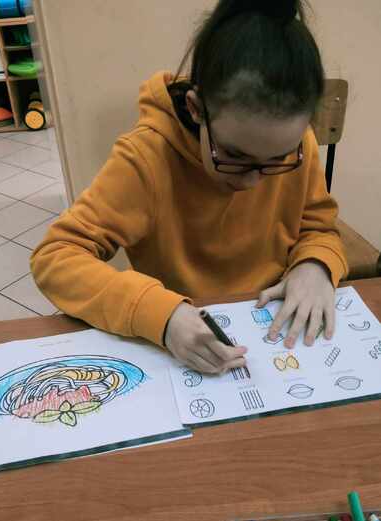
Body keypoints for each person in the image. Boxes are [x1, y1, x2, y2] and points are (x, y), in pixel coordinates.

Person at [31, 0, 348, 375]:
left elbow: (318, 227)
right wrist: (161, 316)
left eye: (277, 159)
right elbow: (55, 257)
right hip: (184, 336)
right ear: (197, 109)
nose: (252, 181)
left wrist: (316, 264)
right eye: (235, 155)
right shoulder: (147, 157)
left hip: (272, 328)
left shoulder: (298, 147)